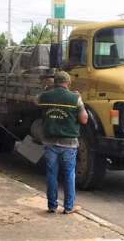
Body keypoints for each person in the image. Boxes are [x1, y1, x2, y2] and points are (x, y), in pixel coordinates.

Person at [38, 71, 88, 214]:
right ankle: (68, 207)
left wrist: (47, 90)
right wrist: (80, 101)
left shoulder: (45, 96)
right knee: (69, 174)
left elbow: (35, 101)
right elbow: (84, 119)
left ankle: (52, 206)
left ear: (55, 82)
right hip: (69, 144)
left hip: (49, 142)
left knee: (51, 174)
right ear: (69, 82)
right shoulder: (74, 98)